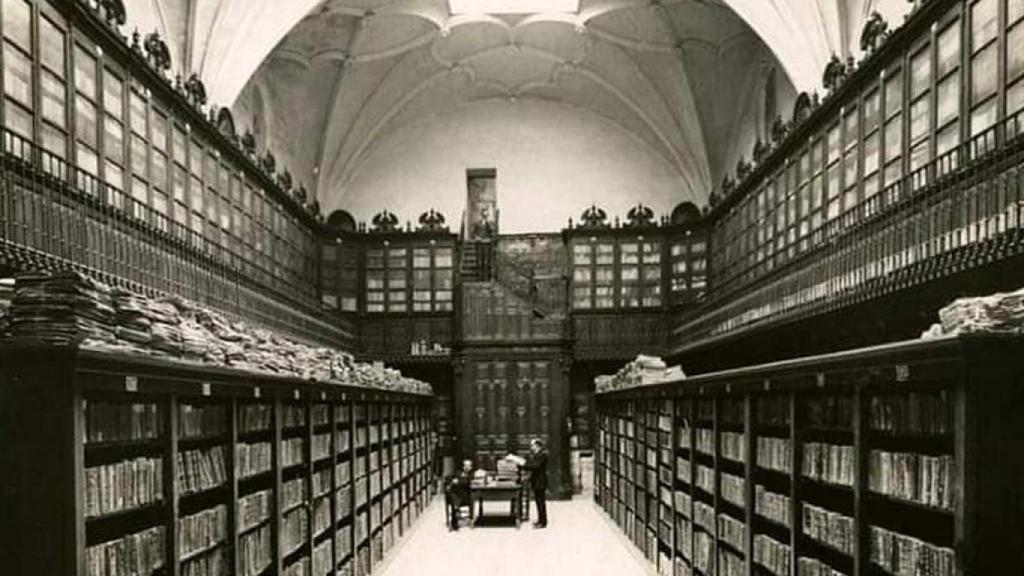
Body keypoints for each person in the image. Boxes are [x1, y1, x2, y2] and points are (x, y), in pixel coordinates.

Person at [519, 438, 548, 528]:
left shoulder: (542, 455)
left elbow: (535, 466)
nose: (531, 447)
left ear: (537, 446)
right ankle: (540, 519)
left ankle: (543, 522)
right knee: (538, 502)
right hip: (536, 481)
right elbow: (532, 464)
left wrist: (523, 464)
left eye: (532, 445)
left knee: (540, 502)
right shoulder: (536, 454)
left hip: (540, 481)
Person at [446, 459, 473, 531]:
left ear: (471, 467)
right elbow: (449, 478)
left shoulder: (471, 475)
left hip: (464, 495)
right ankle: (456, 509)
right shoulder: (458, 473)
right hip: (454, 493)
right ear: (463, 466)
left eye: (469, 466)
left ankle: (454, 522)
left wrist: (458, 482)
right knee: (452, 495)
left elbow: (467, 483)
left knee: (454, 500)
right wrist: (452, 481)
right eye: (465, 465)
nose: (467, 467)